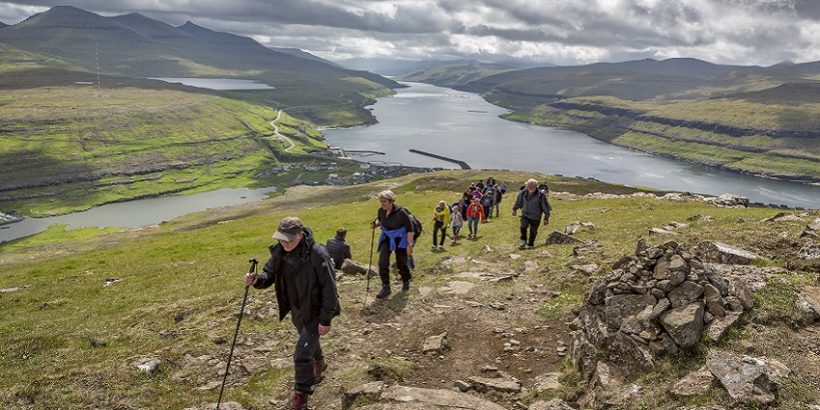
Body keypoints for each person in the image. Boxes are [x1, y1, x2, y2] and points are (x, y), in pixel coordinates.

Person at [243, 217, 340, 410]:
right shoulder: (279, 251)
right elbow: (268, 276)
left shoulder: (317, 254)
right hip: (296, 308)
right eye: (281, 239)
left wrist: (325, 319)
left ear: (300, 235)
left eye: (289, 239)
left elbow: (330, 289)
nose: (284, 243)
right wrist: (256, 280)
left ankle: (301, 395)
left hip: (315, 309)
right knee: (308, 339)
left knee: (301, 355)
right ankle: (319, 363)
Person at [371, 190, 414, 299]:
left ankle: (406, 279)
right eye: (381, 201)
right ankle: (386, 287)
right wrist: (375, 225)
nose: (382, 203)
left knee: (401, 263)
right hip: (387, 237)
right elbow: (381, 221)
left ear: (391, 201)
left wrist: (409, 245)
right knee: (382, 262)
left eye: (384, 201)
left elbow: (410, 229)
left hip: (401, 239)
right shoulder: (381, 211)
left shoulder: (401, 212)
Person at [512, 179, 552, 249]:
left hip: (535, 216)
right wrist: (514, 209)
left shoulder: (541, 195)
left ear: (536, 186)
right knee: (523, 227)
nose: (529, 188)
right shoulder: (523, 193)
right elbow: (518, 202)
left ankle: (531, 244)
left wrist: (546, 218)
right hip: (525, 214)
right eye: (528, 186)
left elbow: (545, 207)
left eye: (531, 186)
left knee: (533, 231)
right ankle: (523, 241)